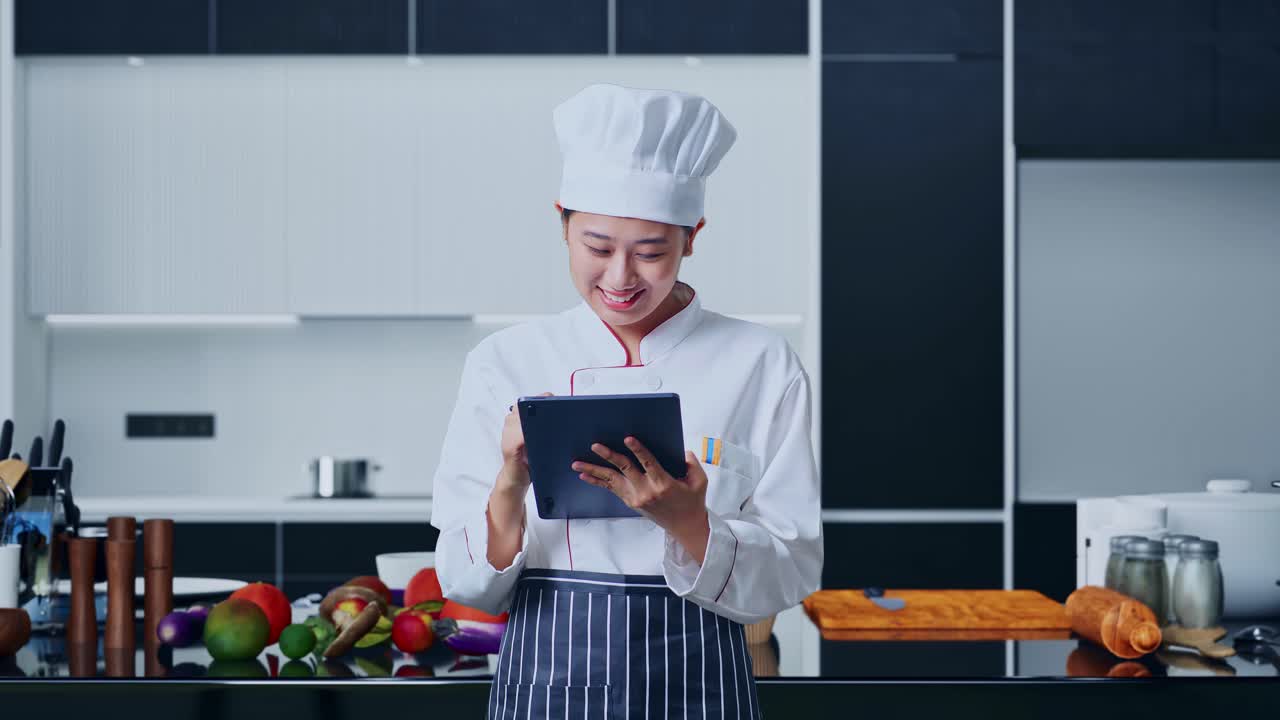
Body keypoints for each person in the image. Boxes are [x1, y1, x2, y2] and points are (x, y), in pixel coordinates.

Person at [430, 83, 822, 719]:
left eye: (650, 252)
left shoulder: (761, 364)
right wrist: (508, 484)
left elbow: (795, 569)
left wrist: (690, 523)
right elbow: (467, 584)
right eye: (597, 248)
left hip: (702, 687)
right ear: (562, 223)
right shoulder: (505, 362)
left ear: (692, 237)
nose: (620, 278)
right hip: (546, 687)